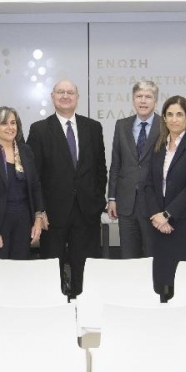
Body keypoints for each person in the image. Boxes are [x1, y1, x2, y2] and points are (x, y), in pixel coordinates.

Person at [27, 79, 107, 297]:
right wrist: (40, 211)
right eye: (60, 92)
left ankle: (85, 308)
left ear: (77, 97)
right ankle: (54, 309)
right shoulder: (39, 129)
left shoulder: (93, 128)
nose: (65, 96)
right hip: (52, 215)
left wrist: (97, 201)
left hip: (86, 212)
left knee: (86, 269)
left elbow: (100, 169)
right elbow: (34, 176)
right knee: (52, 270)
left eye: (70, 92)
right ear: (52, 97)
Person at [143, 95, 186, 300]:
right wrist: (156, 214)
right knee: (162, 282)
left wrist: (167, 215)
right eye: (169, 114)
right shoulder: (158, 144)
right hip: (159, 227)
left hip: (185, 224)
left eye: (179, 114)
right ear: (163, 118)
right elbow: (148, 184)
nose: (174, 119)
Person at [0, 106, 45, 292]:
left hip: (23, 223)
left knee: (19, 274)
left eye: (13, 123)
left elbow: (35, 185)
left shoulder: (26, 151)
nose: (10, 127)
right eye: (4, 123)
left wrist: (38, 218)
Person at [107, 80, 161, 258]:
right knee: (128, 256)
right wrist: (112, 198)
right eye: (139, 96)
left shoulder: (165, 125)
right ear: (133, 100)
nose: (143, 100)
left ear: (155, 101)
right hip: (126, 203)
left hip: (154, 204)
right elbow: (116, 163)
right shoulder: (121, 125)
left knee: (153, 256)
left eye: (148, 97)